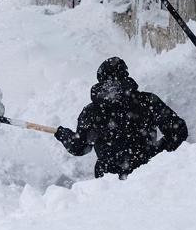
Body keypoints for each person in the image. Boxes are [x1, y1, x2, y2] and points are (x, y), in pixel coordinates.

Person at [55, 57, 188, 179]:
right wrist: (158, 152)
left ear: (100, 79)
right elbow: (178, 131)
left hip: (108, 181)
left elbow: (79, 147)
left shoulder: (92, 111)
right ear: (125, 74)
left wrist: (64, 135)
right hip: (147, 175)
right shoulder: (147, 101)